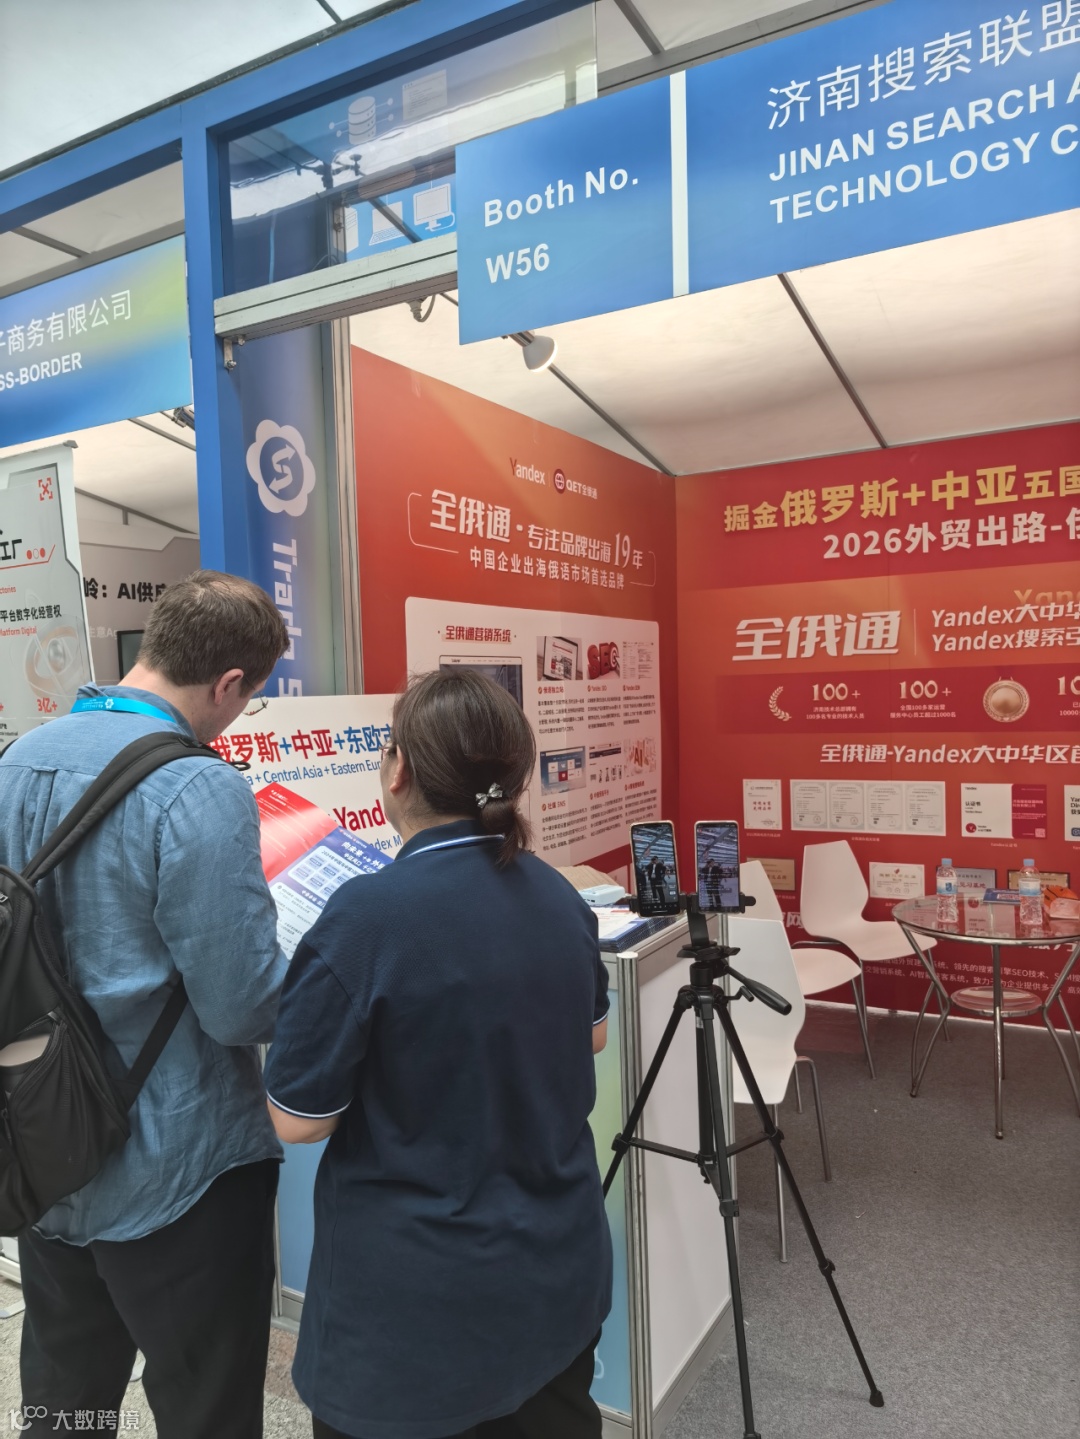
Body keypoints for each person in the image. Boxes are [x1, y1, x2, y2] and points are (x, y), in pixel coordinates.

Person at [264, 669, 612, 1439]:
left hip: (418, 1316)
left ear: (400, 771)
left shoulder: (366, 917)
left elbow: (298, 1119)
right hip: (557, 1271)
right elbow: (592, 1033)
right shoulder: (556, 893)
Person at [0, 570, 290, 1438]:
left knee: (67, 1397)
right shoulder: (197, 787)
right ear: (229, 683)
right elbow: (240, 1007)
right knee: (205, 1402)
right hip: (175, 1162)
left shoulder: (18, 757)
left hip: (42, 1140)